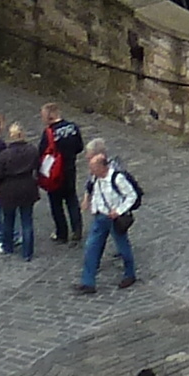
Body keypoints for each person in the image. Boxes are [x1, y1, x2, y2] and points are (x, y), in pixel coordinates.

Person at [79, 147, 141, 293]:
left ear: (103, 167)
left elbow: (132, 196)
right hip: (100, 217)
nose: (91, 171)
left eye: (93, 168)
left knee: (123, 247)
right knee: (91, 248)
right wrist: (89, 203)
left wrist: (119, 211)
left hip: (114, 219)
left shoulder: (117, 179)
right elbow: (93, 191)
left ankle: (130, 274)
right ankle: (88, 282)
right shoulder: (96, 177)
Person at [0, 119, 43, 261]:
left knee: (8, 219)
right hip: (27, 188)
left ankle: (8, 247)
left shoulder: (5, 154)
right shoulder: (32, 150)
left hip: (9, 190)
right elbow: (38, 167)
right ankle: (27, 252)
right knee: (27, 220)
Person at [40, 104, 87, 247]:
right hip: (70, 168)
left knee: (56, 203)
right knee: (71, 199)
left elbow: (41, 152)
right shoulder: (72, 127)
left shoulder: (49, 133)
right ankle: (77, 229)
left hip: (55, 172)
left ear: (50, 116)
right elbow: (80, 146)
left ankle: (62, 233)